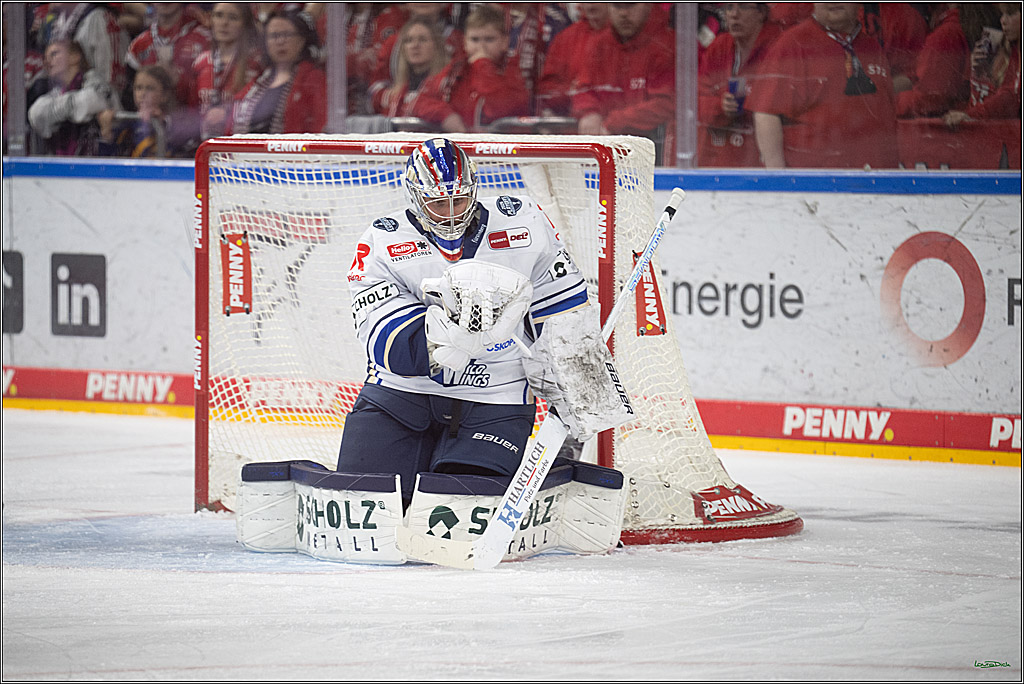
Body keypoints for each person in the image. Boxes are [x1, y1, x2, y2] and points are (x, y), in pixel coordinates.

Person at [337, 138, 595, 507]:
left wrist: (577, 381)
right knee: (366, 507)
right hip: (401, 395)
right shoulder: (382, 241)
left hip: (495, 398)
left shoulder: (525, 222)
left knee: (462, 509)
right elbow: (385, 343)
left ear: (473, 190)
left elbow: (565, 308)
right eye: (437, 203)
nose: (451, 214)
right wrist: (449, 336)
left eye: (458, 200)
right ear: (415, 196)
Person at [747, 2, 898, 169]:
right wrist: (779, 180)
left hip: (879, 180)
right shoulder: (791, 44)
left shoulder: (872, 47)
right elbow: (766, 113)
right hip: (819, 185)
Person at [571, 2, 676, 165]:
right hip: (606, 154)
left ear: (648, 6)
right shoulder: (600, 44)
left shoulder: (667, 45)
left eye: (630, 5)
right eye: (617, 6)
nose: (623, 14)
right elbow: (583, 88)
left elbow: (668, 103)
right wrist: (589, 112)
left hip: (652, 155)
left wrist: (615, 122)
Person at [412, 5, 530, 132]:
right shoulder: (456, 69)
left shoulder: (513, 69)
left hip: (498, 146)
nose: (481, 46)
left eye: (489, 39)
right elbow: (419, 101)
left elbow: (502, 108)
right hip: (460, 145)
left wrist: (482, 65)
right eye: (475, 40)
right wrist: (446, 115)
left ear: (504, 42)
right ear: (465, 42)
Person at [697, 3, 783, 167]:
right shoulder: (719, 46)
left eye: (743, 6)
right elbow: (695, 100)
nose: (734, 14)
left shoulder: (779, 46)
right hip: (721, 159)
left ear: (762, 13)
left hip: (763, 162)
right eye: (729, 7)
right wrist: (719, 106)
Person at [216, 9, 326, 136]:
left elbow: (319, 127)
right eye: (274, 36)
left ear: (302, 40)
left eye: (287, 34)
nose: (280, 41)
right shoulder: (259, 80)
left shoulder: (313, 79)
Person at [28, 39, 120, 156]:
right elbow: (36, 115)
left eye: (54, 54)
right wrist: (73, 109)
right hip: (61, 168)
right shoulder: (56, 92)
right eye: (45, 57)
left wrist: (55, 113)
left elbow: (92, 101)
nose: (47, 61)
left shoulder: (95, 80)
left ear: (75, 57)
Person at [191, 2, 264, 140]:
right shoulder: (200, 61)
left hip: (242, 143)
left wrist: (228, 112)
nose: (224, 23)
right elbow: (192, 107)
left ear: (245, 24)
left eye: (233, 17)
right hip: (204, 143)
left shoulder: (256, 63)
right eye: (218, 15)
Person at [96, 64, 201, 158]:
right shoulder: (127, 126)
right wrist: (106, 133)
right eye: (138, 88)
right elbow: (107, 164)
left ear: (165, 95)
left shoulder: (177, 122)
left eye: (150, 88)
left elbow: (185, 155)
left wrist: (162, 124)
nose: (142, 94)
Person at [944, 3, 1022, 126]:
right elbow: (993, 99)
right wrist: (978, 75)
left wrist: (971, 115)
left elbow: (1011, 96)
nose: (1003, 20)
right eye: (1002, 14)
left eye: (1010, 14)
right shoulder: (1006, 52)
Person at [125, 3, 211, 109]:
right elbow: (129, 97)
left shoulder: (205, 39)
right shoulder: (138, 45)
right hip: (150, 122)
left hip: (192, 119)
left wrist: (180, 82)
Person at [367, 16, 451, 119]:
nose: (415, 45)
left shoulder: (446, 86)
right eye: (409, 40)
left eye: (422, 40)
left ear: (437, 45)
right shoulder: (396, 92)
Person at [535, 3, 610, 117]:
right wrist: (571, 91)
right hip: (571, 128)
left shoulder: (626, 37)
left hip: (616, 125)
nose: (591, 6)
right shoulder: (565, 38)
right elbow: (546, 90)